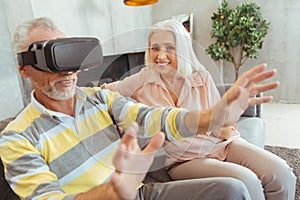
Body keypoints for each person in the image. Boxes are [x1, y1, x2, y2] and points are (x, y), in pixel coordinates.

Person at [0, 17, 258, 200]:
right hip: (108, 195)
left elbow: (152, 117)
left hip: (140, 192)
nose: (67, 71)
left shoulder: (99, 99)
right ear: (23, 69)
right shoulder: (17, 137)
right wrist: (112, 192)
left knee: (231, 190)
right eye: (51, 61)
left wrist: (211, 117)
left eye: (69, 57)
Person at [102, 19, 296, 200]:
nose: (161, 56)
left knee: (281, 172)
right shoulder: (141, 80)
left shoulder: (201, 76)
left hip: (223, 143)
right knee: (248, 181)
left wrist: (230, 115)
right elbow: (105, 92)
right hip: (184, 160)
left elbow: (219, 123)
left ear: (182, 50)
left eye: (170, 48)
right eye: (155, 48)